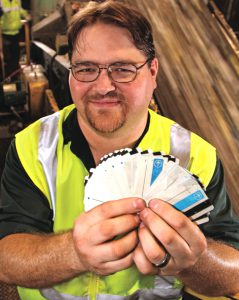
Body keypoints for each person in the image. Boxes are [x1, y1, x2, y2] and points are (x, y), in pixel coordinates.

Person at [0, 1, 239, 299]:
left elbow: (233, 275)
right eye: (86, 68)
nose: (103, 86)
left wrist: (193, 261)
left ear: (153, 72)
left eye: (122, 69)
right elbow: (6, 257)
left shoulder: (195, 156)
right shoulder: (33, 146)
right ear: (72, 74)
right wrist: (73, 252)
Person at [0, 0, 28, 80]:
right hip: (5, 33)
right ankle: (8, 77)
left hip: (16, 33)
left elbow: (20, 10)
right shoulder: (2, 1)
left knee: (16, 56)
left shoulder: (17, 1)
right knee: (7, 57)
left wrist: (26, 15)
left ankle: (15, 77)